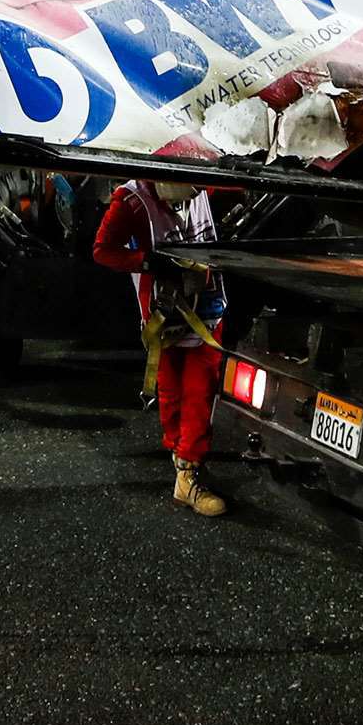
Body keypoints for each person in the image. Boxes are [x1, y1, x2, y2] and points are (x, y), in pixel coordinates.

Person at [92, 178, 231, 518]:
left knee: (200, 390)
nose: (199, 191)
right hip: (165, 313)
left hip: (207, 309)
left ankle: (188, 468)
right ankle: (181, 458)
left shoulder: (202, 185)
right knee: (170, 391)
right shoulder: (131, 201)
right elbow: (103, 251)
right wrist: (150, 262)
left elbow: (226, 189)